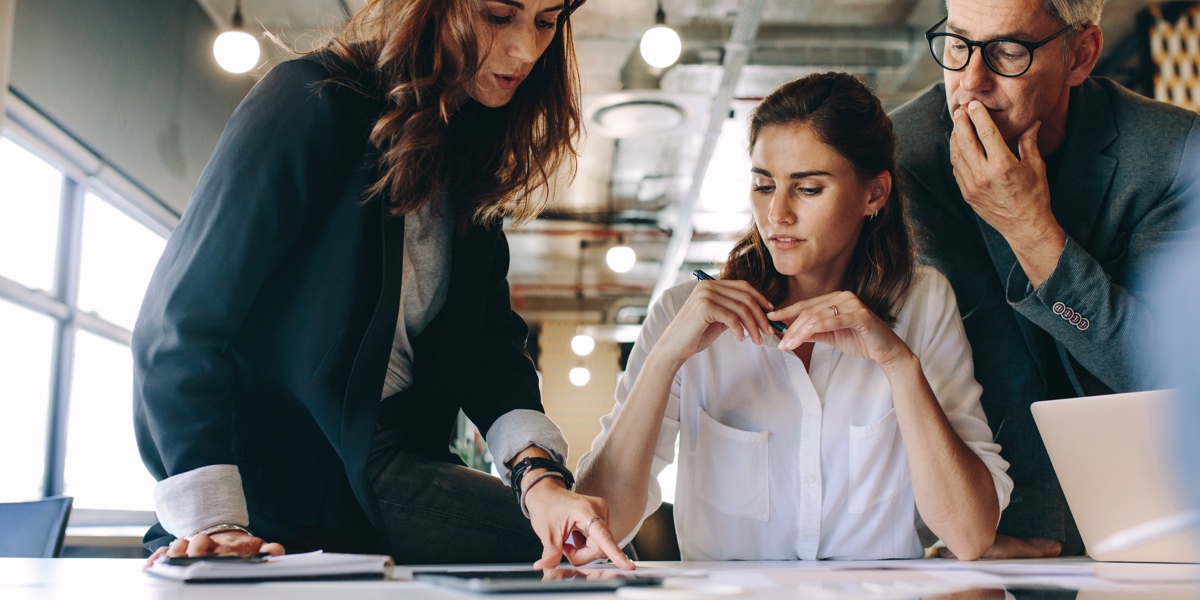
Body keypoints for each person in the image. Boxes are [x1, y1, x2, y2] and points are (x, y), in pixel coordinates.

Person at [132, 0, 633, 570]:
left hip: (387, 468)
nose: (525, 50)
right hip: (284, 483)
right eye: (497, 15)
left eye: (547, 22)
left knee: (586, 545)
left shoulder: (467, 152)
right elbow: (179, 324)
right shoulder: (310, 99)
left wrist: (539, 479)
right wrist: (212, 518)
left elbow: (490, 352)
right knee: (591, 562)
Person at [575, 72, 1013, 561]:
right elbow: (598, 526)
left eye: (807, 189)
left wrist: (898, 365)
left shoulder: (924, 303)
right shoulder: (684, 314)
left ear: (874, 194)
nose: (776, 214)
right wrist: (664, 360)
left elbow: (970, 535)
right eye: (764, 186)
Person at [891, 0, 1200, 558]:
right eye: (958, 45)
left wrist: (1033, 233)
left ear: (1080, 55)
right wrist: (987, 529)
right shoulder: (904, 157)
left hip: (1152, 513)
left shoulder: (1172, 155)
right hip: (980, 527)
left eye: (1007, 51)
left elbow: (1163, 373)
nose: (971, 83)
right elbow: (959, 357)